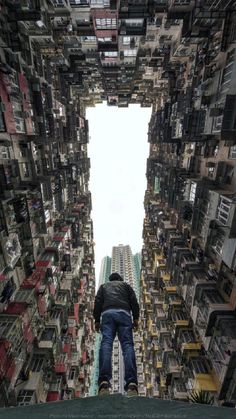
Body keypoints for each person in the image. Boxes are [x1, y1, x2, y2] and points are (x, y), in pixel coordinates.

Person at [93, 272, 139, 396]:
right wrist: (136, 318)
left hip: (107, 314)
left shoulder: (103, 286)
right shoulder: (126, 286)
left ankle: (104, 383)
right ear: (120, 279)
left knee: (106, 343)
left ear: (110, 279)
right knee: (128, 345)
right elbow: (134, 301)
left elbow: (97, 302)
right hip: (124, 314)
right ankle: (132, 384)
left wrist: (97, 320)